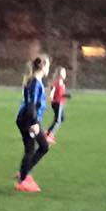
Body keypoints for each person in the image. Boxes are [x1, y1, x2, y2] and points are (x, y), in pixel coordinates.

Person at [14, 56, 52, 193]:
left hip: (29, 118)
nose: (49, 69)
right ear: (42, 67)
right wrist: (34, 123)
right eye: (48, 66)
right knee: (34, 148)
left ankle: (23, 173)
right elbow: (31, 105)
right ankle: (22, 180)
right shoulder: (35, 83)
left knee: (41, 147)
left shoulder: (36, 81)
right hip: (28, 119)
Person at [46, 67, 68, 145]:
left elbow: (60, 93)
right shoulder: (57, 82)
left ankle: (48, 132)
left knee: (61, 118)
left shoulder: (62, 83)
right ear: (59, 74)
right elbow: (52, 90)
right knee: (58, 120)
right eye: (63, 72)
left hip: (61, 103)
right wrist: (50, 97)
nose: (65, 74)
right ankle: (50, 136)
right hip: (57, 103)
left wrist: (65, 95)